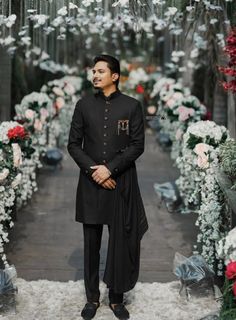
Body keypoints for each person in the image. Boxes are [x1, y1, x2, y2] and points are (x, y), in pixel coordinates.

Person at [67, 54, 148, 320]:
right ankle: (92, 298)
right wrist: (95, 171)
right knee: (91, 243)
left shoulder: (132, 106)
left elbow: (137, 144)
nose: (95, 75)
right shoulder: (82, 105)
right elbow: (73, 145)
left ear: (115, 76)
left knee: (120, 241)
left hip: (120, 183)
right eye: (93, 71)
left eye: (100, 71)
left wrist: (110, 169)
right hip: (91, 184)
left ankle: (116, 298)